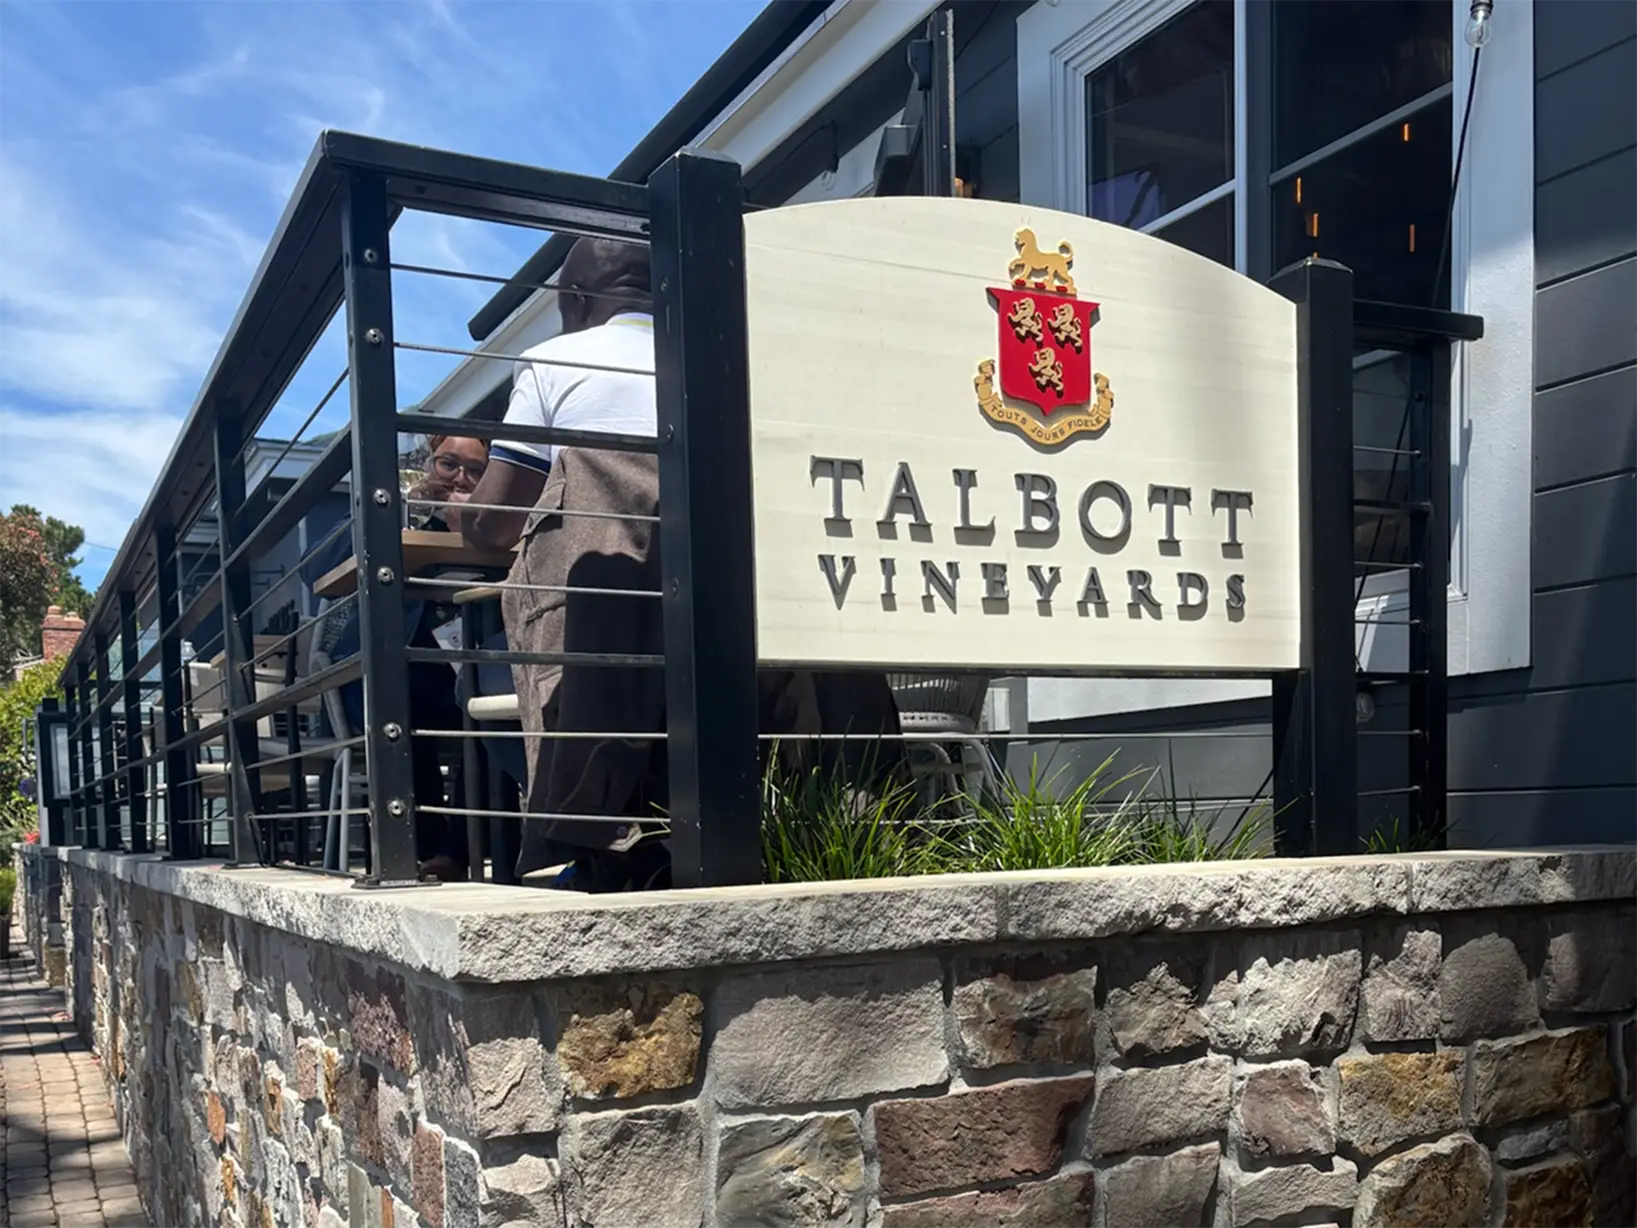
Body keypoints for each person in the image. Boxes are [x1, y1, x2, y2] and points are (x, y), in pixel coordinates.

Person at [306, 433, 490, 880]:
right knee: (399, 699)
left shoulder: (491, 524)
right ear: (427, 464)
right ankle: (424, 847)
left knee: (495, 704)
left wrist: (473, 522)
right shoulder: (398, 517)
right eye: (449, 464)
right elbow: (320, 568)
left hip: (465, 668)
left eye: (475, 471)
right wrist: (404, 510)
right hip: (397, 669)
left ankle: (463, 849)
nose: (459, 479)